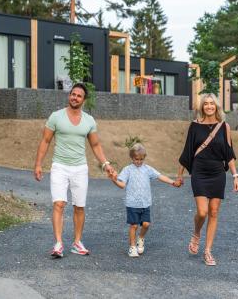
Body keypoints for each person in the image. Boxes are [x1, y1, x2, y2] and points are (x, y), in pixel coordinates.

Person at [34, 83, 115, 258]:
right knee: (59, 203)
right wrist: (38, 164)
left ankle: (77, 243)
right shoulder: (56, 117)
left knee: (79, 207)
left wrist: (106, 164)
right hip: (59, 166)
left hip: (80, 168)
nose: (74, 97)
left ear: (83, 100)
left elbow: (95, 145)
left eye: (79, 95)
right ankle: (58, 243)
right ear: (69, 96)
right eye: (73, 94)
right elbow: (45, 141)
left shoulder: (89, 120)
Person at [176, 93, 238, 266]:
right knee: (202, 211)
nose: (209, 106)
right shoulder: (195, 126)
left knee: (213, 211)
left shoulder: (224, 126)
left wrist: (235, 175)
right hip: (199, 172)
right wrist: (180, 174)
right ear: (202, 107)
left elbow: (229, 153)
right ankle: (196, 233)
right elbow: (187, 151)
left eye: (212, 104)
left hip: (218, 173)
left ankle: (208, 251)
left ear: (216, 106)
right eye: (206, 104)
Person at [110, 143, 178, 257]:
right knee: (134, 226)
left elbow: (160, 176)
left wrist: (172, 182)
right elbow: (122, 185)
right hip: (132, 203)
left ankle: (140, 238)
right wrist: (113, 179)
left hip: (145, 203)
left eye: (141, 159)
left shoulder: (147, 169)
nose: (139, 161)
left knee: (146, 224)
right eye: (137, 159)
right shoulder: (127, 170)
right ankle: (132, 247)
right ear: (132, 158)